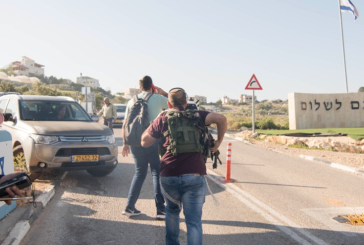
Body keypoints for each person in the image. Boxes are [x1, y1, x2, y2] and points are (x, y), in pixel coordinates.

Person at [141, 87, 227, 245]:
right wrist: (218, 143)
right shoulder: (198, 115)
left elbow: (144, 142)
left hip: (169, 175)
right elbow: (221, 119)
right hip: (194, 176)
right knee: (193, 222)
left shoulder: (163, 118)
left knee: (172, 213)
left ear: (168, 103)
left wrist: (157, 119)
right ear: (186, 103)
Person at [121, 75, 168, 219]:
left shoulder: (131, 101)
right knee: (156, 173)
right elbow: (176, 105)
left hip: (135, 142)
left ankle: (129, 207)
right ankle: (160, 210)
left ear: (140, 86)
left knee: (139, 173)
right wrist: (163, 93)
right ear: (152, 85)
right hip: (152, 140)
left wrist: (125, 144)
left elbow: (125, 124)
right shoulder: (159, 98)